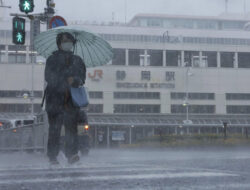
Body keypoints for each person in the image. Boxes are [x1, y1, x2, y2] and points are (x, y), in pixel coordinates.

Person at [44, 32, 86, 165]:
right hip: (54, 99)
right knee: (54, 129)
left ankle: (72, 154)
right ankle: (52, 156)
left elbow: (82, 78)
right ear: (59, 43)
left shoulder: (78, 60)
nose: (67, 43)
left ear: (73, 43)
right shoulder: (52, 59)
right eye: (64, 40)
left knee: (72, 128)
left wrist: (75, 79)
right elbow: (49, 77)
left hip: (71, 100)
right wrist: (64, 78)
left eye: (69, 40)